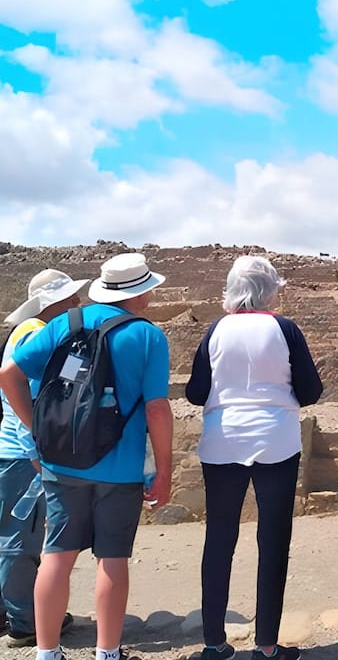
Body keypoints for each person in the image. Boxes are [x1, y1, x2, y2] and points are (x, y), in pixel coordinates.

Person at [0, 253, 174, 660]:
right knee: (112, 558)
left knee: (56, 555)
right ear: (138, 293)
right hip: (120, 467)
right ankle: (107, 652)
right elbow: (156, 410)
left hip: (62, 462)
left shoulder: (65, 323)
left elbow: (9, 375)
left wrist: (37, 429)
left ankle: (47, 652)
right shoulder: (148, 336)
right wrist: (164, 470)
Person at [186, 256, 323, 660]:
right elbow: (311, 390)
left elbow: (195, 392)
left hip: (222, 440)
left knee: (219, 538)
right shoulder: (284, 329)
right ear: (269, 290)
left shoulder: (216, 329)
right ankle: (266, 646)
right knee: (273, 539)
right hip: (275, 440)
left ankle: (214, 643)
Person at [0, 270, 87, 647]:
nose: (77, 304)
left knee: (11, 534)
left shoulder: (23, 332)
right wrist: (39, 458)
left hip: (14, 452)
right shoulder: (37, 334)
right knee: (21, 539)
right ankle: (25, 621)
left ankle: (12, 610)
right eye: (70, 298)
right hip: (24, 455)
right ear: (53, 303)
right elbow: (33, 404)